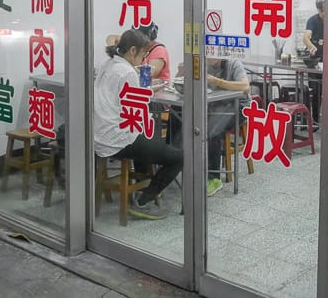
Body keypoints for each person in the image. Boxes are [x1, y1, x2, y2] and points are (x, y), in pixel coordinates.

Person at [93, 29, 183, 220]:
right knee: (178, 156)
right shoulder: (126, 72)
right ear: (133, 50)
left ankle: (142, 178)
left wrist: (148, 89)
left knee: (147, 139)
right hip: (117, 140)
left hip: (98, 135)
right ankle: (144, 201)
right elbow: (137, 107)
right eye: (143, 55)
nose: (143, 61)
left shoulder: (106, 64)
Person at [176, 57, 250, 196]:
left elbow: (245, 87)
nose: (209, 56)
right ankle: (177, 166)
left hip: (238, 106)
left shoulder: (233, 63)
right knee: (181, 120)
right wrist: (181, 71)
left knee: (211, 130)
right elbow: (181, 83)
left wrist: (216, 81)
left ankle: (214, 178)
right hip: (214, 105)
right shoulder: (202, 63)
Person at [302, 0, 324, 122]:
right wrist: (311, 47)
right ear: (318, 9)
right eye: (322, 11)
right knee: (316, 91)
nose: (324, 13)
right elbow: (306, 37)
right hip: (315, 62)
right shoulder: (313, 20)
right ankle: (315, 120)